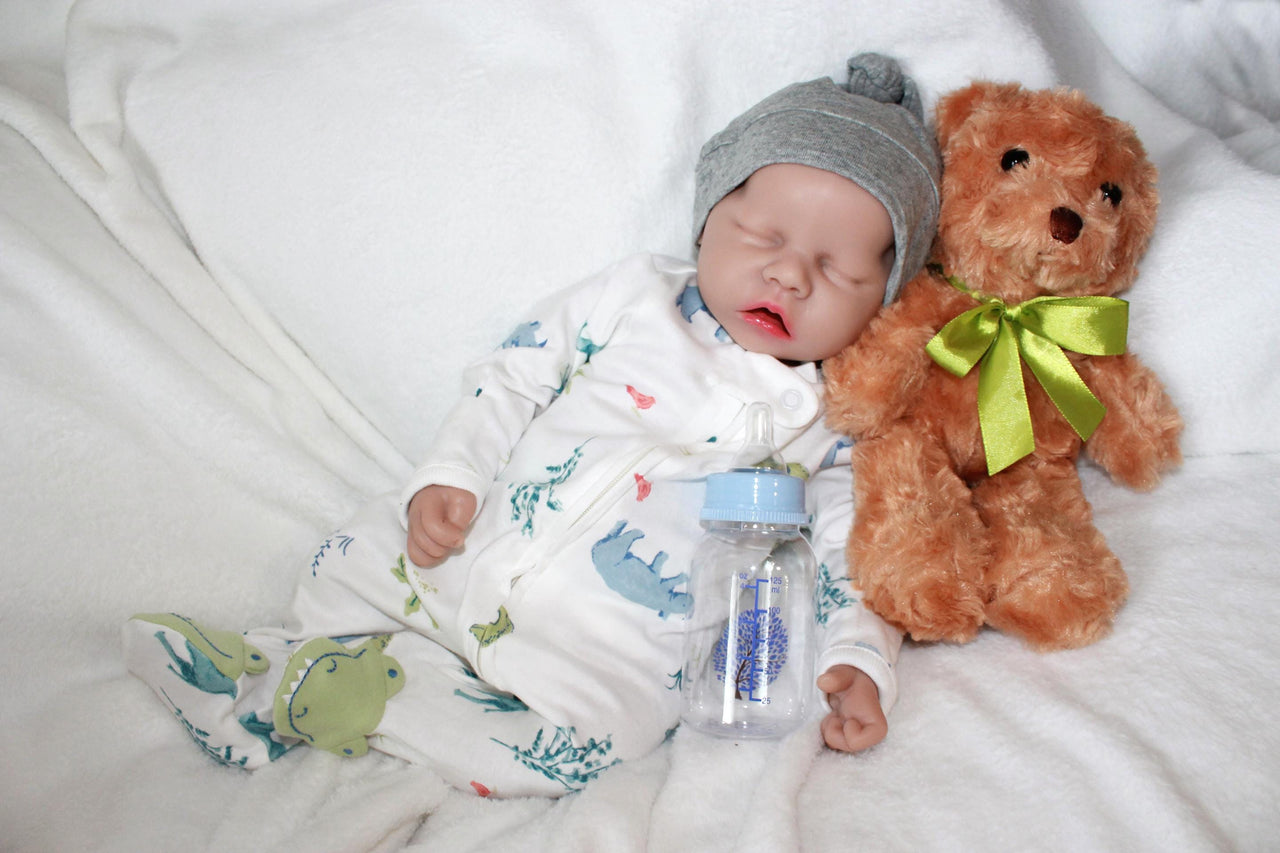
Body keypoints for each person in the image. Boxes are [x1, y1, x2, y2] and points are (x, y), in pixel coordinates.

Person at [123, 52, 941, 798]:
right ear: (706, 219)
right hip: (465, 548)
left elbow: (857, 552)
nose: (790, 272)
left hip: (598, 650)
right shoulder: (635, 299)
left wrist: (857, 660)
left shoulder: (837, 426)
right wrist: (452, 474)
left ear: (885, 301)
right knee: (351, 562)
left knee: (586, 750)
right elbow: (514, 376)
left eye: (837, 268)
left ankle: (358, 695)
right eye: (763, 235)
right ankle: (279, 669)